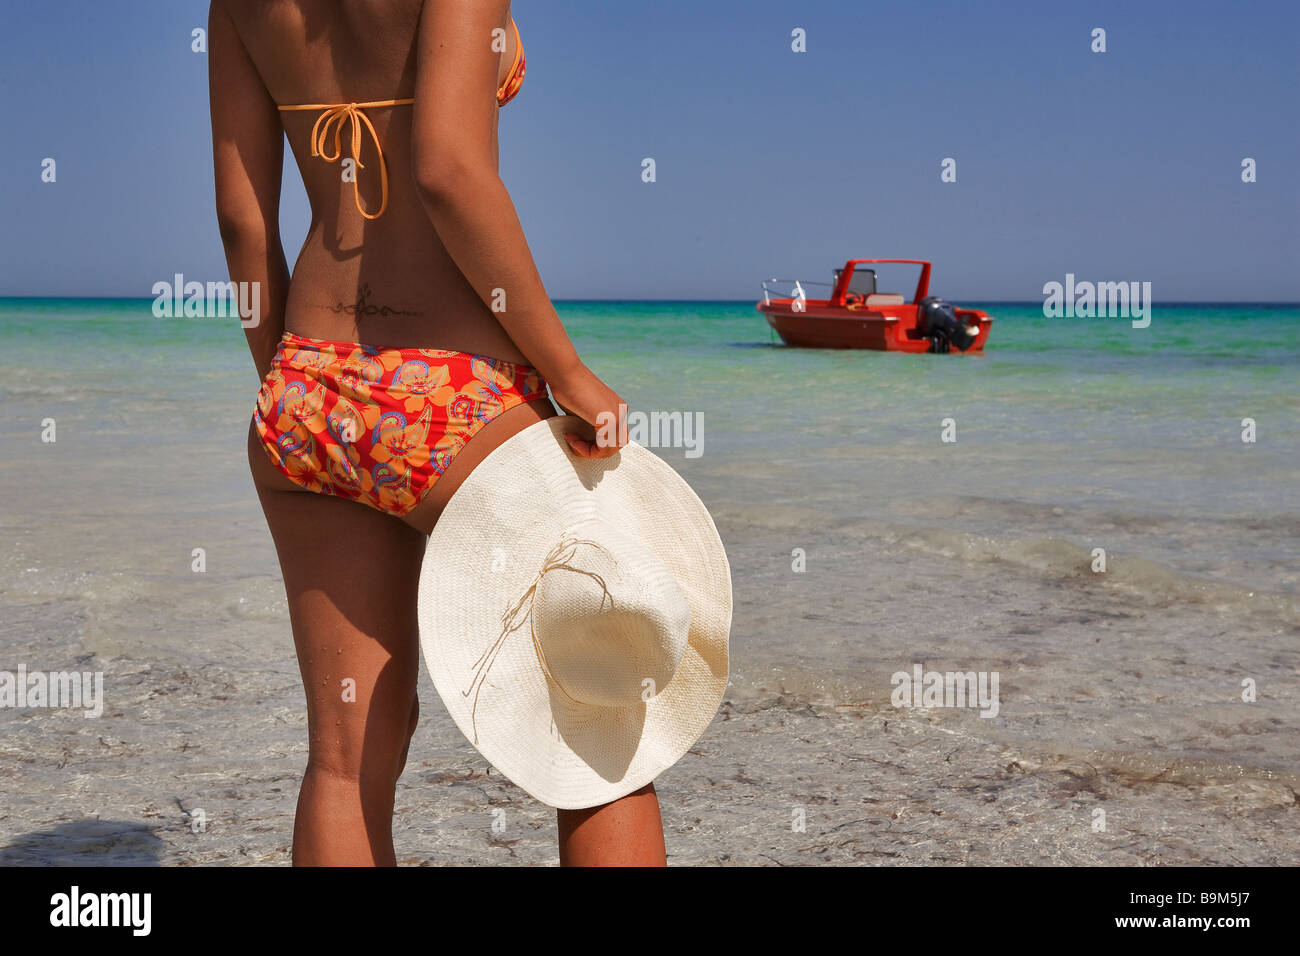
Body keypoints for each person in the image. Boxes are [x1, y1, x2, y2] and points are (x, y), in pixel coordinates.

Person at [209, 0, 664, 866]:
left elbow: (242, 221)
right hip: (454, 387)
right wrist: (567, 372)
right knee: (604, 731)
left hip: (307, 380)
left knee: (344, 765)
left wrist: (294, 384)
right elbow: (447, 169)